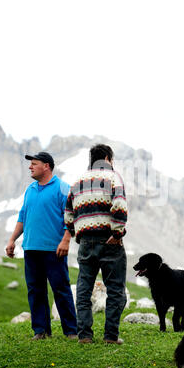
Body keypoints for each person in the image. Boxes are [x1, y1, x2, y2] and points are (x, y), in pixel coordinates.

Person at [6, 151, 77, 341]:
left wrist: (66, 240)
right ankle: (41, 330)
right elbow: (23, 216)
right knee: (35, 290)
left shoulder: (63, 188)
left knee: (61, 289)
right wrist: (12, 239)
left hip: (54, 249)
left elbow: (71, 217)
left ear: (46, 166)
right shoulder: (30, 189)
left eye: (34, 164)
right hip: (30, 248)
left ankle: (71, 331)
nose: (30, 167)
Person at [64, 144, 128, 345]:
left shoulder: (77, 182)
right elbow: (119, 205)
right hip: (109, 240)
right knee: (116, 290)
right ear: (108, 158)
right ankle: (110, 336)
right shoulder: (113, 177)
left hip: (86, 242)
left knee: (83, 289)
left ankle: (84, 336)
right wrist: (117, 233)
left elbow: (68, 214)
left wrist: (77, 233)